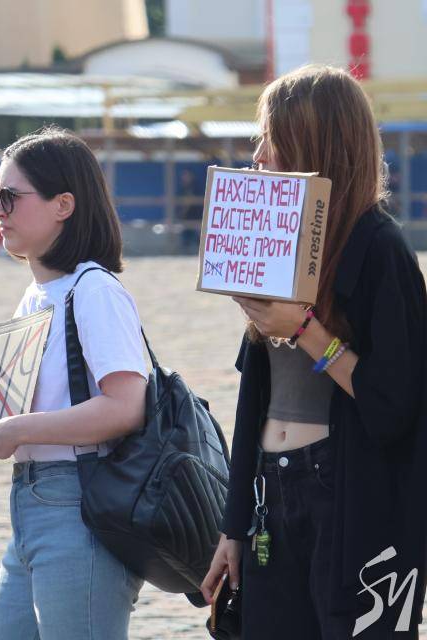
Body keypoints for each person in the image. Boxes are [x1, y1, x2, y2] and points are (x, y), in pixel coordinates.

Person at [201, 65, 427, 639]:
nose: (257, 155)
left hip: (350, 494)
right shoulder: (278, 239)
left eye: (271, 137)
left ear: (314, 143)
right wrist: (233, 525)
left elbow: (394, 407)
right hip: (270, 492)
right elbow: (254, 397)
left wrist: (305, 329)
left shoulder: (381, 248)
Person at [0, 127, 148, 640]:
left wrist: (21, 429)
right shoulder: (38, 294)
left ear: (63, 205)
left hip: (80, 506)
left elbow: (126, 406)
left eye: (10, 196)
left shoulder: (94, 290)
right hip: (33, 507)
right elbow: (41, 396)